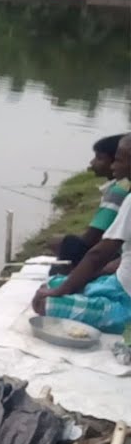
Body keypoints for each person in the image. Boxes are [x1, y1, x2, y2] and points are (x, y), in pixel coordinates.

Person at [34, 136, 131, 332]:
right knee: (52, 283)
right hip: (120, 284)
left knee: (44, 302)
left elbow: (98, 253)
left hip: (125, 302)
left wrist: (63, 290)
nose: (114, 164)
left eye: (119, 159)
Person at [50, 134, 129, 265]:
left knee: (57, 242)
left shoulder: (119, 190)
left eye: (99, 158)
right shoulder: (123, 187)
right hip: (117, 251)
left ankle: (68, 273)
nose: (92, 163)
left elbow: (91, 238)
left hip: (114, 255)